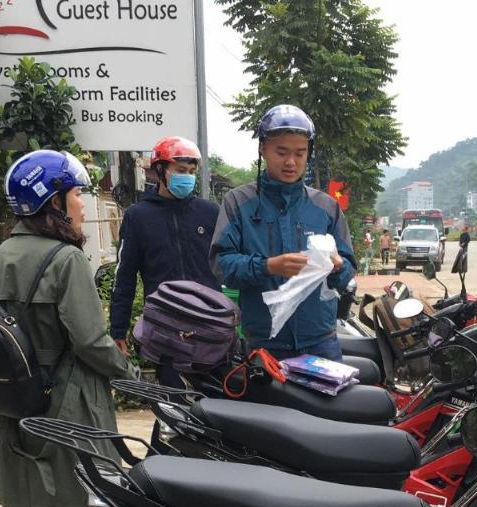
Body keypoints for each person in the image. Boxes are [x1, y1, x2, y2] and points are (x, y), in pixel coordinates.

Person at [0, 149, 132, 507]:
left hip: (19, 402)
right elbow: (90, 342)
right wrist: (130, 375)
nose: (82, 204)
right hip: (72, 406)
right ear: (52, 203)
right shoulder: (66, 260)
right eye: (75, 194)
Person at [210, 104, 355, 361]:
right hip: (263, 343)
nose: (291, 162)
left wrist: (337, 268)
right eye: (281, 152)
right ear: (262, 149)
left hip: (321, 342)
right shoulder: (238, 202)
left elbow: (347, 273)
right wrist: (268, 267)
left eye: (300, 153)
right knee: (269, 403)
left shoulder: (326, 207)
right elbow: (222, 265)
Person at [110, 135, 220, 360]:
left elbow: (228, 265)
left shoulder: (210, 213)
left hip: (210, 324)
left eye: (191, 172)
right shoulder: (138, 217)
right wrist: (118, 330)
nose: (187, 177)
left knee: (216, 391)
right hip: (165, 328)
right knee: (173, 392)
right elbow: (125, 278)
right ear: (160, 170)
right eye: (180, 170)